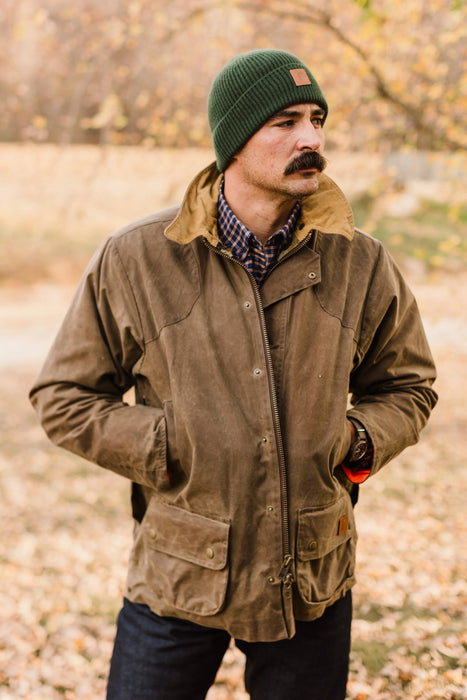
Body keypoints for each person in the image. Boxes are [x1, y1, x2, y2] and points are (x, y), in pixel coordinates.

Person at [30, 49, 437, 699]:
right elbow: (64, 395)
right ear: (233, 141)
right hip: (180, 571)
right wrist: (166, 444)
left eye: (316, 119)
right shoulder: (137, 258)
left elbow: (407, 386)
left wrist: (354, 440)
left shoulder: (360, 261)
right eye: (285, 122)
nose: (310, 138)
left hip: (310, 575)